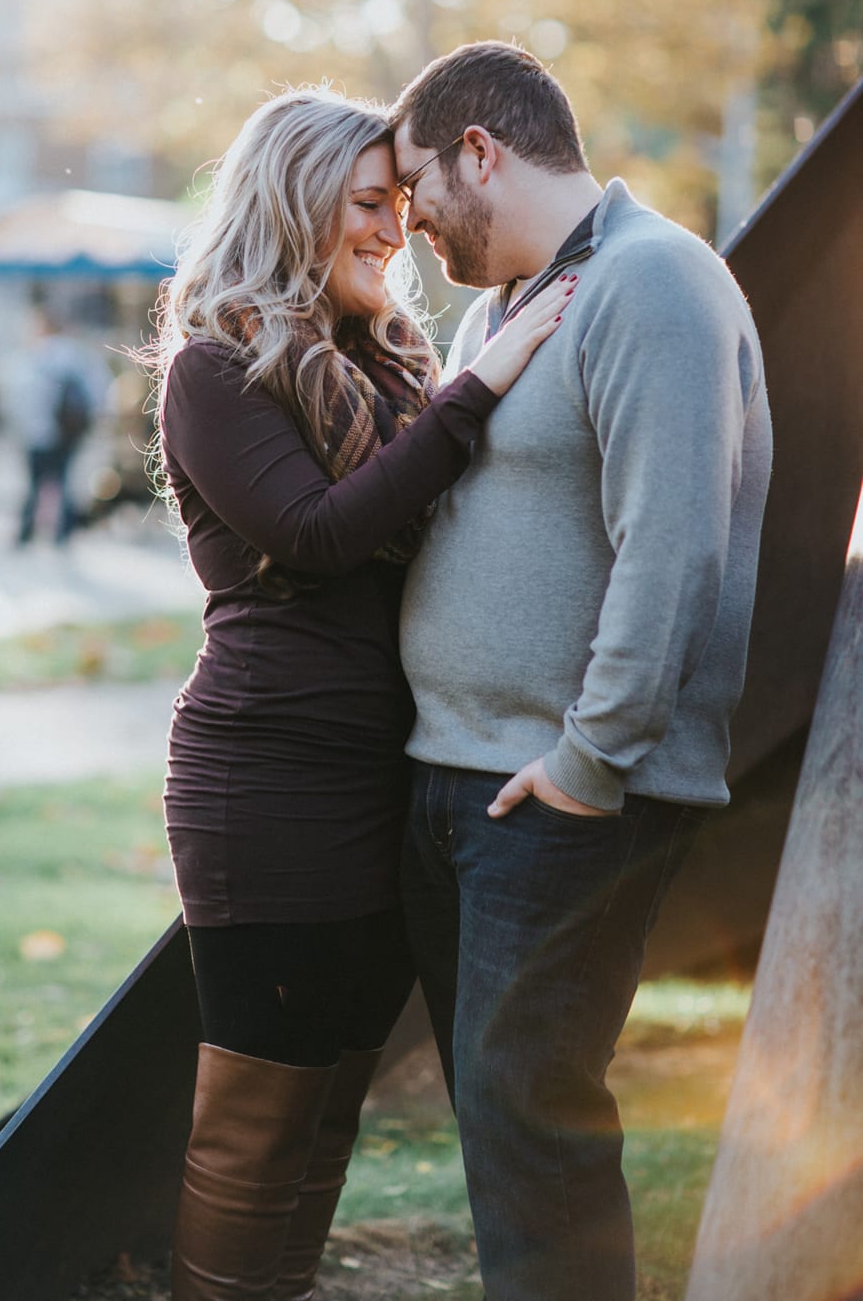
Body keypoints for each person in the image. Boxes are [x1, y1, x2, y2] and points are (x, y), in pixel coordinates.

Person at [153, 86, 576, 1301]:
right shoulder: (216, 367)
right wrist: (481, 387)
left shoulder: (382, 360)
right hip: (268, 785)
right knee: (256, 1121)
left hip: (384, 779)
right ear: (293, 205)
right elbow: (320, 533)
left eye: (399, 204)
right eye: (370, 204)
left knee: (330, 1105)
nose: (396, 231)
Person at [389, 41, 774, 1301]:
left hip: (556, 790)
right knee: (504, 1122)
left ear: (479, 153)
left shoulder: (652, 279)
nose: (410, 224)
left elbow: (672, 542)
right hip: (463, 776)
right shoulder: (500, 307)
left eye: (416, 189)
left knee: (529, 1114)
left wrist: (587, 760)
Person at [2, 305, 111, 546]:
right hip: (68, 432)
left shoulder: (33, 355)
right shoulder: (77, 355)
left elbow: (17, 396)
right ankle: (62, 533)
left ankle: (27, 532)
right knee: (63, 481)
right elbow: (98, 388)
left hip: (37, 433)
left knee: (35, 483)